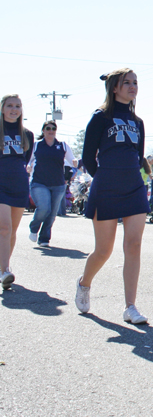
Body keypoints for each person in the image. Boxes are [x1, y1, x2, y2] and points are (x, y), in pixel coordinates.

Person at [75, 68, 150, 324]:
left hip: (134, 187)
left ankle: (130, 307)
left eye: (135, 82)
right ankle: (84, 283)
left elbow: (138, 157)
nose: (132, 86)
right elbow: (88, 157)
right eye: (126, 82)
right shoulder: (101, 117)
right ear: (114, 88)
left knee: (134, 245)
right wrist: (104, 178)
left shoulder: (138, 121)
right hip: (106, 188)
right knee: (103, 250)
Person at [0, 95, 34, 289]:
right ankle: (6, 270)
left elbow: (25, 159)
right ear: (2, 108)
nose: (14, 109)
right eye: (10, 105)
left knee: (12, 230)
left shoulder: (27, 134)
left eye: (18, 106)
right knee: (4, 228)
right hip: (1, 184)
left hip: (19, 185)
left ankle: (2, 269)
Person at [27, 120, 77, 247]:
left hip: (58, 184)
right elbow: (28, 159)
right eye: (48, 128)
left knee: (52, 213)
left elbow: (72, 160)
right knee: (44, 208)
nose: (51, 131)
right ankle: (34, 228)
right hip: (39, 182)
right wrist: (28, 166)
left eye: (53, 128)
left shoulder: (62, 145)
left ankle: (44, 238)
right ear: (43, 130)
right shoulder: (36, 145)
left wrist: (76, 164)